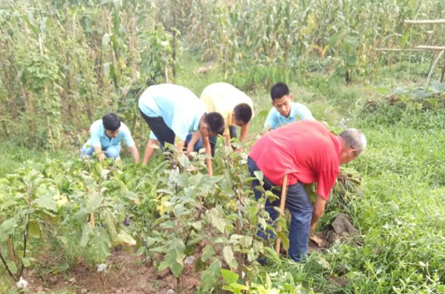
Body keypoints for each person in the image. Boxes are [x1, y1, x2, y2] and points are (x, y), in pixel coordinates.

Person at [248, 120, 366, 262]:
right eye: (353, 159)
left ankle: (262, 258)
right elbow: (318, 210)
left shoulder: (318, 127)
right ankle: (297, 261)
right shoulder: (331, 161)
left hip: (256, 155)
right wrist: (311, 225)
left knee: (268, 209)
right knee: (303, 211)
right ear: (351, 152)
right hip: (278, 165)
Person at [138, 83, 225, 176]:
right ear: (205, 128)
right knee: (171, 148)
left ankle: (144, 167)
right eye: (210, 135)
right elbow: (177, 152)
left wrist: (210, 173)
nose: (208, 137)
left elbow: (206, 144)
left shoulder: (205, 116)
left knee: (166, 137)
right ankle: (171, 180)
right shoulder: (185, 119)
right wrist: (192, 169)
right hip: (149, 103)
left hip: (162, 101)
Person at [191, 83, 253, 153]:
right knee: (211, 132)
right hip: (209, 96)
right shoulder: (223, 112)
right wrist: (228, 147)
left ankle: (235, 152)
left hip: (223, 93)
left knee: (233, 136)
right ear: (233, 115)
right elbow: (226, 136)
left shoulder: (248, 105)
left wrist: (240, 145)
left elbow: (245, 124)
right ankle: (202, 151)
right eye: (238, 124)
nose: (240, 126)